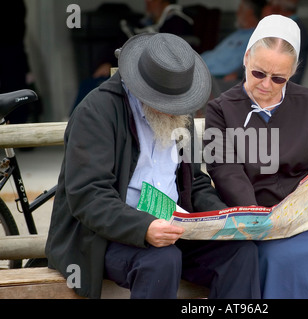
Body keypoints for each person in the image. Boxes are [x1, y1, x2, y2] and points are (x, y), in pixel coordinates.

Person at [45, 33, 261, 299]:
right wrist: (143, 227)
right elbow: (88, 195)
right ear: (142, 88)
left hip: (175, 228)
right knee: (161, 260)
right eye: (169, 103)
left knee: (240, 252)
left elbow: (195, 182)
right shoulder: (97, 111)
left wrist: (222, 220)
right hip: (108, 236)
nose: (177, 110)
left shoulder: (180, 109)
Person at [205, 15, 308, 299]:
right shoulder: (220, 109)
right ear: (245, 58)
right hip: (260, 222)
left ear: (292, 73)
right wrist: (257, 215)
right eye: (258, 73)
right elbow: (224, 168)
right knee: (276, 259)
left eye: (278, 78)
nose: (266, 85)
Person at [201, 0, 267, 93]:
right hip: (199, 69)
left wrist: (237, 74)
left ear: (249, 12)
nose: (237, 13)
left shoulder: (256, 38)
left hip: (214, 78)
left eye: (240, 9)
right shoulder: (237, 34)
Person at [262, 0, 308, 84]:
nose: (264, 9)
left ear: (276, 8)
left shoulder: (289, 32)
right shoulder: (288, 28)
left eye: (268, 4)